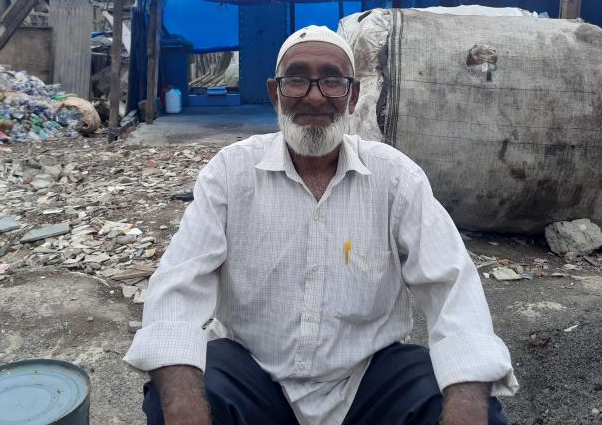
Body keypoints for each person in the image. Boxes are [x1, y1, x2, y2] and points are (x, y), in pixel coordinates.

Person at [126, 25, 518, 425]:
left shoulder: (396, 177)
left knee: (469, 404)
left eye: (332, 80)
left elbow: (452, 285)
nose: (315, 96)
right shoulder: (230, 173)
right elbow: (179, 286)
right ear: (275, 93)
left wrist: (466, 407)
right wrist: (185, 409)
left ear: (353, 96)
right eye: (296, 80)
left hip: (368, 381)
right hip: (255, 375)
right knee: (177, 394)